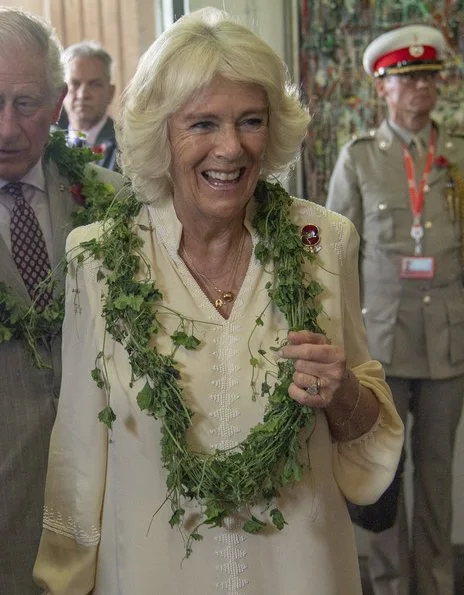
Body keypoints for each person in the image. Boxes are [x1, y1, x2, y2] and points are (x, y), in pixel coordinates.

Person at [33, 8, 403, 595]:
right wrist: (64, 578)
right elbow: (80, 442)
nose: (230, 148)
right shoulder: (100, 259)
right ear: (162, 133)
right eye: (203, 124)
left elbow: (366, 433)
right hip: (152, 573)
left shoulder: (324, 244)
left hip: (299, 572)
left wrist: (344, 392)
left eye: (250, 121)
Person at [326, 24, 464, 595]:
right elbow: (333, 264)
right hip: (380, 349)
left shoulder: (457, 157)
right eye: (407, 81)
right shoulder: (359, 159)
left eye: (429, 79)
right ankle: (388, 584)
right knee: (382, 473)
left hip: (448, 346)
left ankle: (434, 583)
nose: (420, 90)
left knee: (436, 478)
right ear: (382, 88)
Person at [0, 8, 125, 594]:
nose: (5, 128)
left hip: (109, 516)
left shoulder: (112, 203)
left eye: (25, 105)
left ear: (57, 103)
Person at [60, 40, 118, 170]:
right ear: (60, 91)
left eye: (94, 84)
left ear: (110, 93)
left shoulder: (127, 147)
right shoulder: (45, 144)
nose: (83, 94)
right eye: (75, 84)